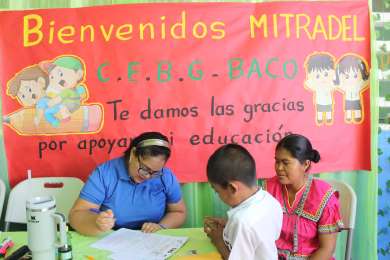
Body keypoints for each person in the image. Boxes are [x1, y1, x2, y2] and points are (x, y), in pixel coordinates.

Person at [69, 132, 186, 236]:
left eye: (155, 172)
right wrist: (96, 222)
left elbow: (178, 211)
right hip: (111, 237)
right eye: (144, 169)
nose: (147, 176)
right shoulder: (105, 173)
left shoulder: (165, 176)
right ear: (133, 153)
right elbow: (76, 215)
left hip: (150, 239)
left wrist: (161, 226)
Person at [264, 134, 343, 259]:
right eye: (277, 161)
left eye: (285, 162)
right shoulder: (267, 189)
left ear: (305, 164)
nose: (279, 168)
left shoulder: (324, 197)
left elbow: (327, 248)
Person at [204, 144, 283, 260]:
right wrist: (229, 224)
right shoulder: (270, 201)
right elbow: (259, 232)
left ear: (232, 188)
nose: (218, 195)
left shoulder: (242, 222)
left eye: (217, 191)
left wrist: (218, 240)